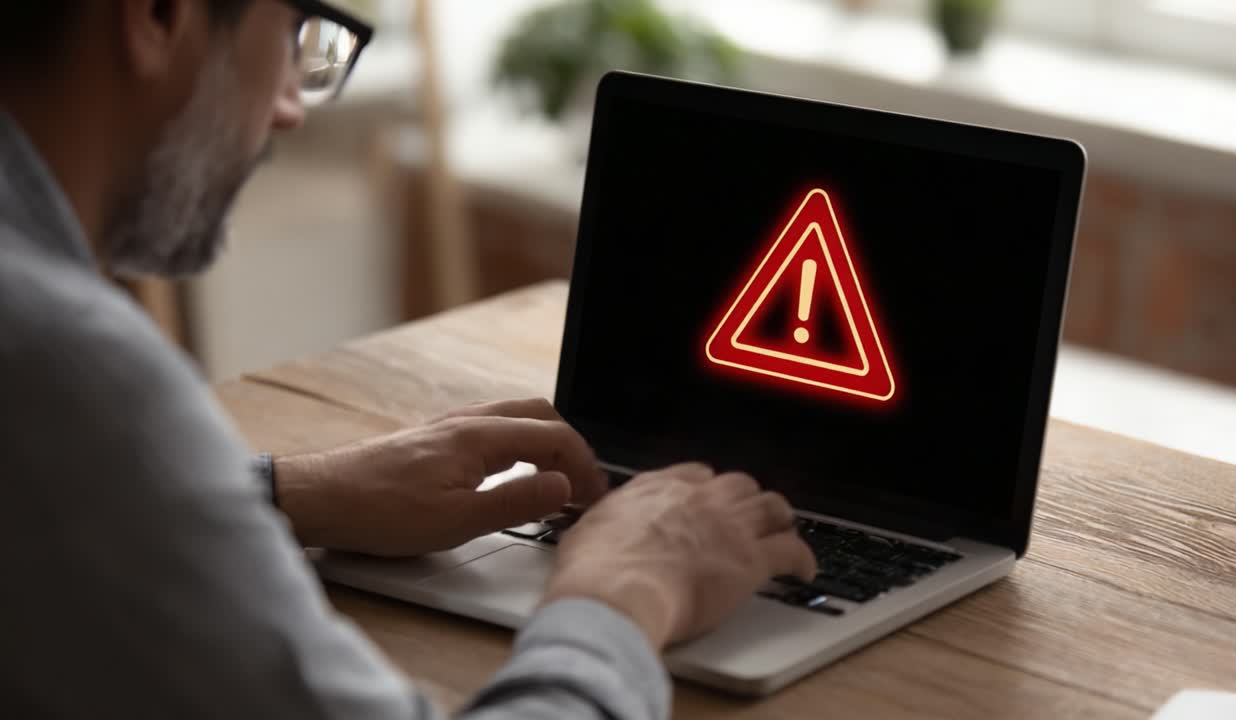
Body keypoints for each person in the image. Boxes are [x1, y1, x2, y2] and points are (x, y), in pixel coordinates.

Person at [0, 2, 818, 718]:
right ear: (157, 13)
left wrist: (285, 497)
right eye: (292, 27)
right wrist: (625, 593)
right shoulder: (70, 372)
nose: (291, 105)